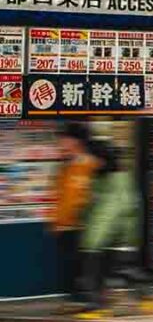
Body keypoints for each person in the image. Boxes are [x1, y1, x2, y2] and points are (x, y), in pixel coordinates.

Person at [77, 145, 148, 317]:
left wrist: (108, 236)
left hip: (115, 236)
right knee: (95, 273)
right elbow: (91, 206)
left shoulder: (119, 179)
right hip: (97, 235)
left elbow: (121, 211)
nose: (89, 161)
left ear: (102, 159)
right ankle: (99, 306)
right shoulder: (96, 178)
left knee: (122, 270)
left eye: (93, 158)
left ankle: (146, 294)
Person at [47, 132, 96, 311]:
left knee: (80, 265)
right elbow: (60, 195)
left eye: (64, 141)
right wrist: (56, 220)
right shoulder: (65, 166)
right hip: (65, 226)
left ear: (76, 141)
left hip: (82, 226)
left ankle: (85, 300)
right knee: (68, 266)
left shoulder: (89, 165)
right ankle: (75, 299)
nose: (61, 145)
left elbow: (86, 195)